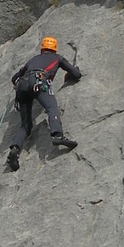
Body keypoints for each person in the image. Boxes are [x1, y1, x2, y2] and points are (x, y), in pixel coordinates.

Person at [7, 37, 81, 170]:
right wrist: (70, 75)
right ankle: (58, 135)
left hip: (22, 86)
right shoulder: (58, 58)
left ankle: (15, 148)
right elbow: (76, 74)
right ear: (54, 49)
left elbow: (15, 78)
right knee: (51, 107)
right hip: (38, 82)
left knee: (25, 125)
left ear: (42, 48)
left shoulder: (33, 59)